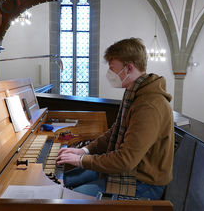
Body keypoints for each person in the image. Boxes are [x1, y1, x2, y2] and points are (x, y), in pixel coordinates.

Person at [56, 38, 174, 200]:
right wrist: (84, 151)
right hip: (128, 172)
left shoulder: (149, 106)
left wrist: (82, 160)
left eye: (112, 68)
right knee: (61, 181)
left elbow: (125, 160)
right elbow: (115, 131)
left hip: (142, 184)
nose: (109, 73)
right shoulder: (135, 92)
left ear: (129, 68)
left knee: (67, 197)